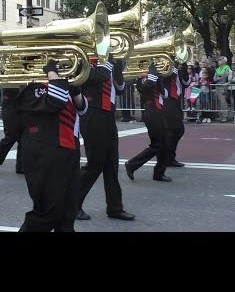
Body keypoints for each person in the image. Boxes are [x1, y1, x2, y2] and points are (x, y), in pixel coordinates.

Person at [16, 60, 87, 232]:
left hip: (69, 150)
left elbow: (83, 109)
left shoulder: (59, 83)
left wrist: (76, 90)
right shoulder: (31, 88)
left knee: (67, 216)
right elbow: (56, 101)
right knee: (46, 215)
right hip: (45, 154)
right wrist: (51, 71)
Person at [75, 55, 135, 222]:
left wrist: (118, 67)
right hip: (93, 114)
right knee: (95, 164)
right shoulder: (85, 60)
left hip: (108, 115)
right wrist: (109, 61)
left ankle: (115, 208)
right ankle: (72, 204)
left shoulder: (107, 65)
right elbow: (96, 77)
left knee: (111, 165)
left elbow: (121, 89)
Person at [125, 63, 172, 182]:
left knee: (165, 143)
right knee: (156, 145)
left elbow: (165, 94)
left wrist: (160, 76)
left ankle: (159, 173)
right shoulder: (141, 81)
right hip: (151, 112)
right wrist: (153, 72)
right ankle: (132, 164)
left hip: (159, 111)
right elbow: (148, 87)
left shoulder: (155, 77)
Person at [0, 87, 24, 175]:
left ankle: (21, 166)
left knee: (23, 136)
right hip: (10, 103)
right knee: (11, 136)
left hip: (22, 104)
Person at [164, 62, 186, 167]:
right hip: (167, 100)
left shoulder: (177, 69)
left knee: (177, 131)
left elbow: (185, 82)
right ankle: (167, 158)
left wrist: (185, 67)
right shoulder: (165, 65)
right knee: (175, 130)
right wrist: (175, 66)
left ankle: (169, 158)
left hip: (177, 99)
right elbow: (168, 76)